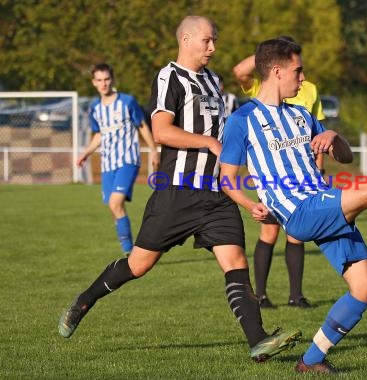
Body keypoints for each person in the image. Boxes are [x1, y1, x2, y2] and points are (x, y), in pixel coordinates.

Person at [59, 16, 301, 363]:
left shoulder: (214, 80)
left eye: (214, 40)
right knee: (139, 265)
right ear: (186, 39)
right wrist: (208, 143)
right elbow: (161, 131)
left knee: (235, 263)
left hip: (216, 195)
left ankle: (258, 341)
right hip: (177, 192)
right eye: (207, 41)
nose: (213, 47)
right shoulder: (169, 76)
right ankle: (84, 300)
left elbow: (234, 116)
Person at [219, 38, 367, 374]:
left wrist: (334, 136)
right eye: (297, 70)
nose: (302, 78)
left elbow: (345, 157)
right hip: (299, 212)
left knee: (365, 289)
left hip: (322, 203)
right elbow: (226, 178)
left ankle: (311, 360)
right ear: (277, 71)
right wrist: (249, 204)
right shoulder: (241, 120)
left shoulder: (302, 115)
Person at [232, 36, 326, 308]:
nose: (299, 76)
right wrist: (268, 52)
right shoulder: (263, 89)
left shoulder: (309, 90)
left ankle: (295, 295)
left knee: (296, 234)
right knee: (269, 233)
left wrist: (319, 169)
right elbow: (240, 72)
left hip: (304, 173)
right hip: (273, 176)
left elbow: (317, 131)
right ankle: (260, 295)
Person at [77, 63, 159, 256]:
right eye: (99, 80)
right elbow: (99, 135)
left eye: (106, 79)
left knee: (115, 203)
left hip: (128, 160)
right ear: (93, 82)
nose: (103, 83)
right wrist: (86, 152)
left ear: (112, 80)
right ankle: (130, 250)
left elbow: (142, 127)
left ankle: (129, 252)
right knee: (114, 208)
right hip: (108, 164)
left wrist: (154, 150)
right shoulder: (95, 108)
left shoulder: (127, 102)